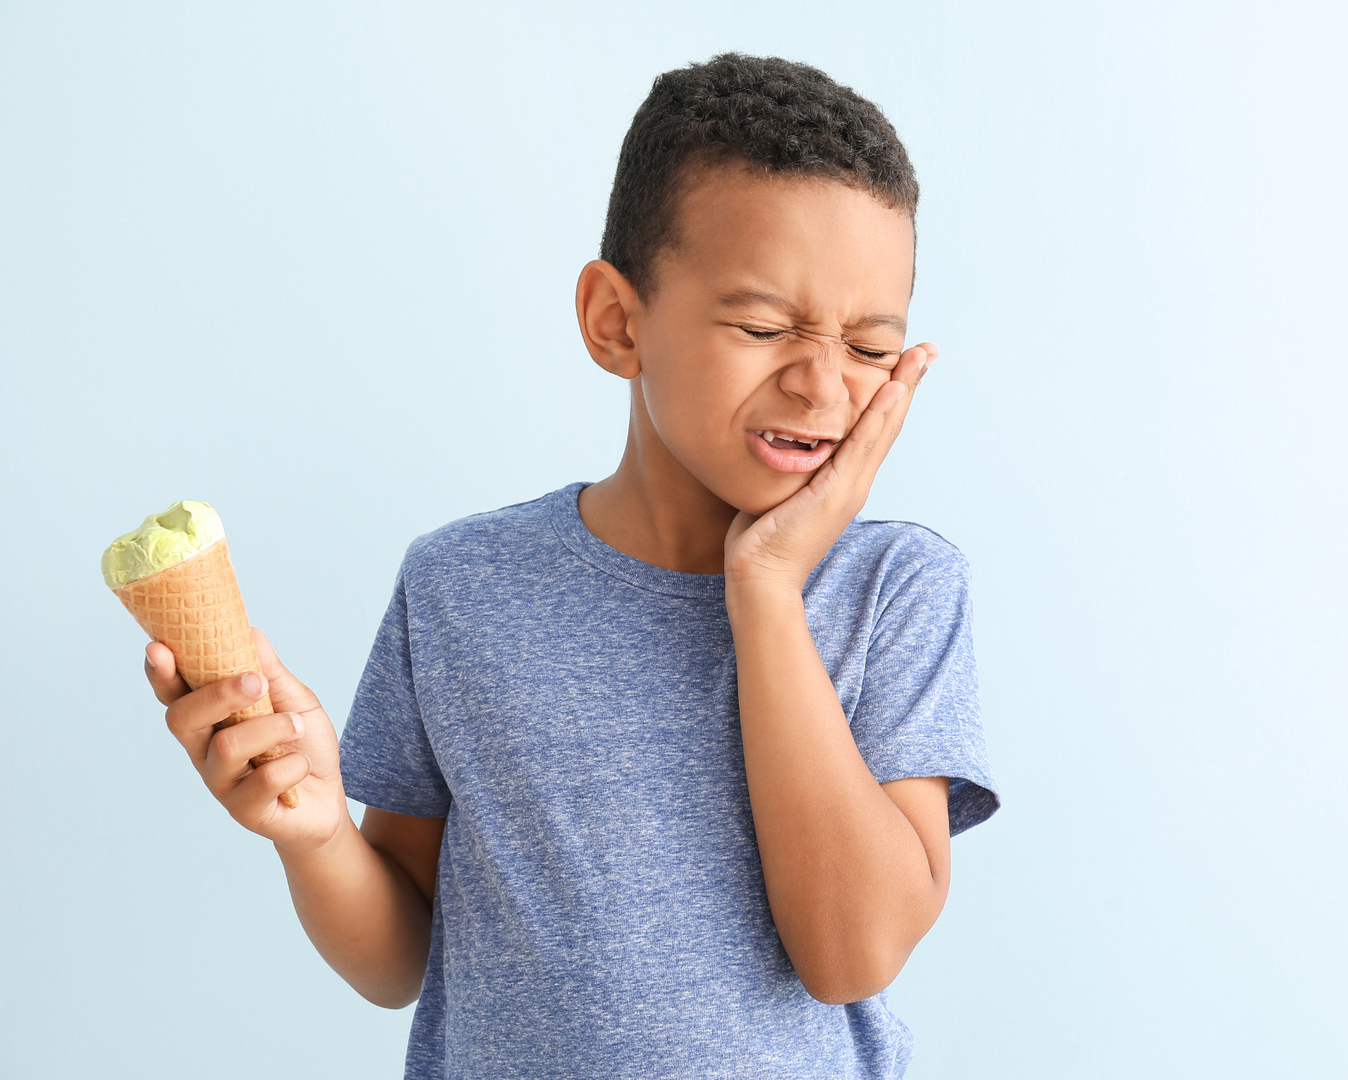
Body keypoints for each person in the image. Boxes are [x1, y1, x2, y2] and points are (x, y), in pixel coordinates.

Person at [141, 53, 998, 1079]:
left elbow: (850, 955)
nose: (820, 385)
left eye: (869, 348)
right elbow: (399, 961)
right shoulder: (461, 586)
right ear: (617, 321)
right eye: (764, 327)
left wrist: (765, 589)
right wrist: (317, 834)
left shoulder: (897, 592)